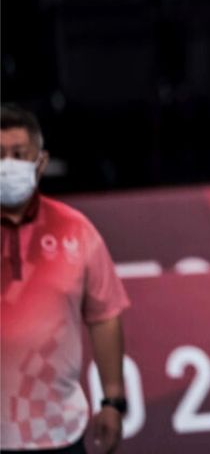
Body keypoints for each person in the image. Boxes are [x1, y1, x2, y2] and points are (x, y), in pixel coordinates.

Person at [1, 105, 130, 454]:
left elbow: (104, 316)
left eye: (18, 155)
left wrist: (113, 400)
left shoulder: (75, 229)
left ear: (41, 162)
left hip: (57, 430)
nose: (7, 165)